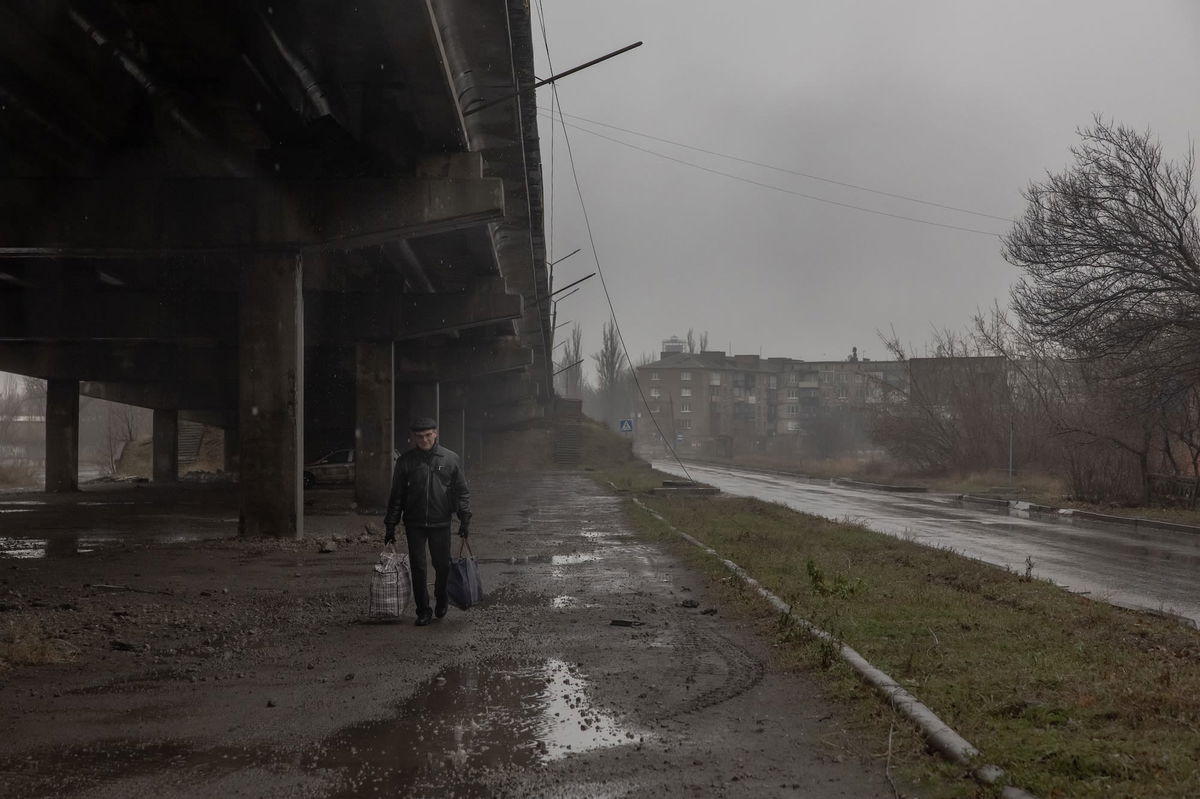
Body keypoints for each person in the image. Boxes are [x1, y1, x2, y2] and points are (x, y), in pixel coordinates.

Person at [383, 417, 471, 626]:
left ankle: (441, 599)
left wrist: (465, 519)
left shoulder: (450, 459)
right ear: (413, 437)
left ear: (436, 433)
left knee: (442, 566)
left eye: (428, 435)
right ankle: (423, 610)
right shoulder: (405, 462)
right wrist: (390, 525)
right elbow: (397, 496)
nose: (424, 440)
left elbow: (461, 492)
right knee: (418, 568)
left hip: (441, 522)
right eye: (419, 436)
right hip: (414, 524)